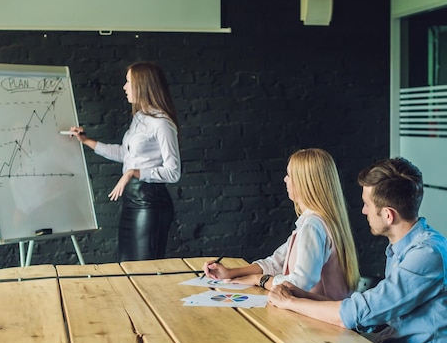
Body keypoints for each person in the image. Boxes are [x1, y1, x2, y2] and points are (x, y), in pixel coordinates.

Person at [268, 157, 447, 343]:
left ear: (388, 215)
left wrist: (291, 303)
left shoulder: (426, 256)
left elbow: (357, 314)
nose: (363, 210)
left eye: (367, 204)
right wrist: (298, 293)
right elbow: (370, 311)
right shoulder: (405, 248)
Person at [202, 148, 360, 300]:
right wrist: (231, 273)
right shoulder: (315, 222)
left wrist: (260, 280)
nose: (285, 179)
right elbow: (275, 263)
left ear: (304, 183)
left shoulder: (313, 226)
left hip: (321, 323)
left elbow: (299, 285)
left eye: (289, 175)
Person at [70, 61, 180, 261]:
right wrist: (85, 141)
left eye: (128, 82)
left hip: (150, 202)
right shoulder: (139, 118)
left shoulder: (162, 123)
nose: (124, 87)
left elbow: (173, 172)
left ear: (142, 85)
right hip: (131, 199)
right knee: (126, 265)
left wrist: (133, 173)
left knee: (143, 268)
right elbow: (125, 154)